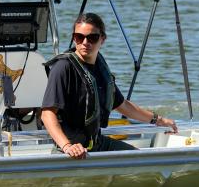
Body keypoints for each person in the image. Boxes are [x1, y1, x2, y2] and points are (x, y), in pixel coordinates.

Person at [41, 12, 178, 159]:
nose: (85, 42)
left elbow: (122, 105)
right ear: (74, 38)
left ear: (102, 39)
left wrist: (159, 120)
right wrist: (67, 146)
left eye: (92, 38)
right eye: (79, 37)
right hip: (72, 150)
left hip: (98, 144)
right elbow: (47, 114)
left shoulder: (100, 67)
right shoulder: (63, 67)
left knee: (142, 161)